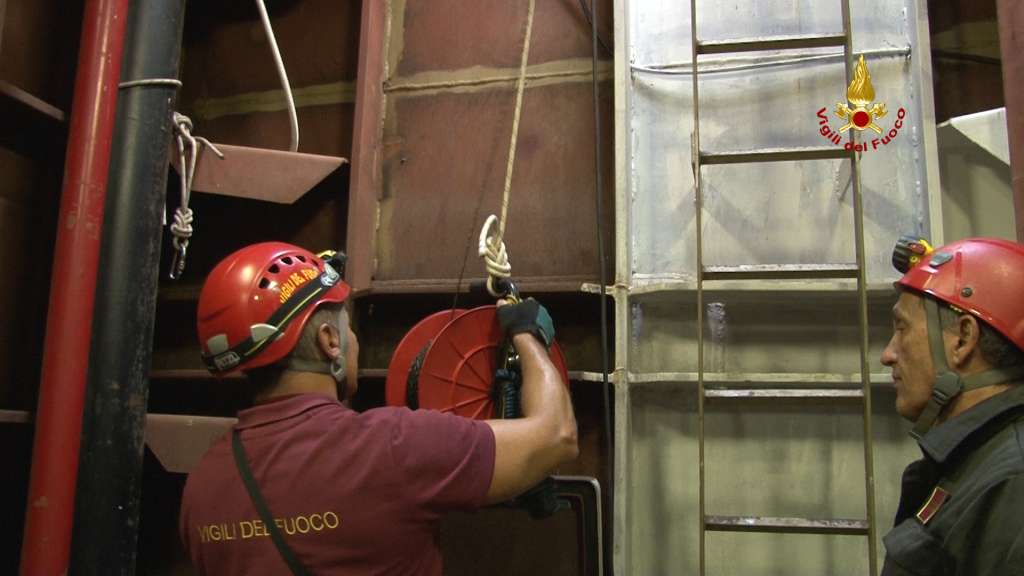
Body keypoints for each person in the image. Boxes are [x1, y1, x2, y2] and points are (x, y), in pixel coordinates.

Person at [179, 242, 578, 575]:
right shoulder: (391, 447)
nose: (352, 338)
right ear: (329, 341)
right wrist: (527, 333)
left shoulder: (201, 487)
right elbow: (557, 436)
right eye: (347, 326)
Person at [880, 235, 1024, 575]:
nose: (888, 355)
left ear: (962, 339)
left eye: (902, 329)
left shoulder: (1012, 484)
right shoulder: (974, 465)